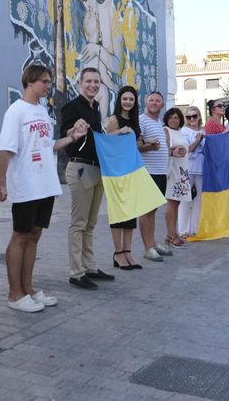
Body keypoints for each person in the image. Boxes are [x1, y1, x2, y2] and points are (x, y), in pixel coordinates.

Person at [0, 64, 88, 312]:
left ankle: (28, 288)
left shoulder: (42, 111)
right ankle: (14, 294)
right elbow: (5, 149)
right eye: (44, 81)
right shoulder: (16, 111)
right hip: (26, 185)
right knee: (20, 235)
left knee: (34, 235)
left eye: (49, 81)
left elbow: (48, 145)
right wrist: (0, 182)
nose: (48, 85)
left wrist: (73, 137)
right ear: (30, 81)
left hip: (45, 184)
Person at [61, 67, 115, 290]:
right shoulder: (72, 107)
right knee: (78, 223)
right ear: (80, 83)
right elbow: (66, 132)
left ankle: (89, 266)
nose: (93, 85)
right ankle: (76, 272)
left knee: (90, 223)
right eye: (88, 81)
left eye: (96, 82)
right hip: (80, 169)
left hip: (96, 169)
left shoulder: (95, 109)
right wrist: (73, 129)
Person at [104, 85, 141, 270]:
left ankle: (128, 251)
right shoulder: (114, 119)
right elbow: (107, 141)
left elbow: (134, 144)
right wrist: (121, 131)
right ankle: (118, 253)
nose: (127, 102)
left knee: (130, 213)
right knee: (118, 212)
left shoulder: (134, 120)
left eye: (131, 99)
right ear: (119, 100)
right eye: (125, 99)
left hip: (131, 169)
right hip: (116, 172)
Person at [137, 91, 173, 262]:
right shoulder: (141, 120)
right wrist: (150, 147)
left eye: (157, 100)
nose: (154, 103)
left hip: (160, 172)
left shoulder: (159, 122)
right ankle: (147, 248)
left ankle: (152, 243)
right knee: (146, 210)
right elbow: (137, 145)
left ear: (162, 104)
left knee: (153, 210)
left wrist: (172, 151)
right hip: (147, 171)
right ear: (146, 102)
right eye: (151, 100)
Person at [162, 108, 191, 249]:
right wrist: (175, 149)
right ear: (167, 119)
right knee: (171, 203)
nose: (174, 120)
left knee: (177, 203)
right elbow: (164, 149)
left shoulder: (181, 132)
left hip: (183, 170)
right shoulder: (166, 130)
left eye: (176, 118)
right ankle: (170, 235)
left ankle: (173, 233)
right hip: (173, 169)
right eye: (171, 118)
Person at [178, 106, 204, 239]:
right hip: (188, 167)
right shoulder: (184, 131)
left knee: (199, 198)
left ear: (199, 116)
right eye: (189, 117)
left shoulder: (203, 130)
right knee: (185, 199)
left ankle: (196, 228)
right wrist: (198, 140)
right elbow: (187, 149)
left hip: (201, 167)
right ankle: (183, 229)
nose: (192, 119)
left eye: (194, 116)